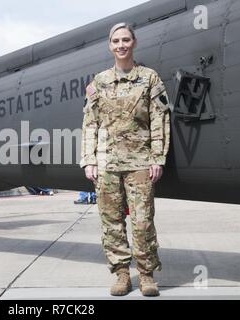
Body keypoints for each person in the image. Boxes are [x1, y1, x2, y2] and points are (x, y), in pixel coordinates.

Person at [80, 23, 171, 297]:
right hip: (107, 164)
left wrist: (158, 157)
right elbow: (89, 123)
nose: (121, 45)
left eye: (126, 40)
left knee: (142, 221)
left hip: (140, 162)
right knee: (112, 222)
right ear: (110, 45)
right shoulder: (99, 82)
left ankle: (146, 274)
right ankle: (121, 274)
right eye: (116, 41)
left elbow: (160, 118)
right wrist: (89, 160)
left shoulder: (149, 78)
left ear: (134, 43)